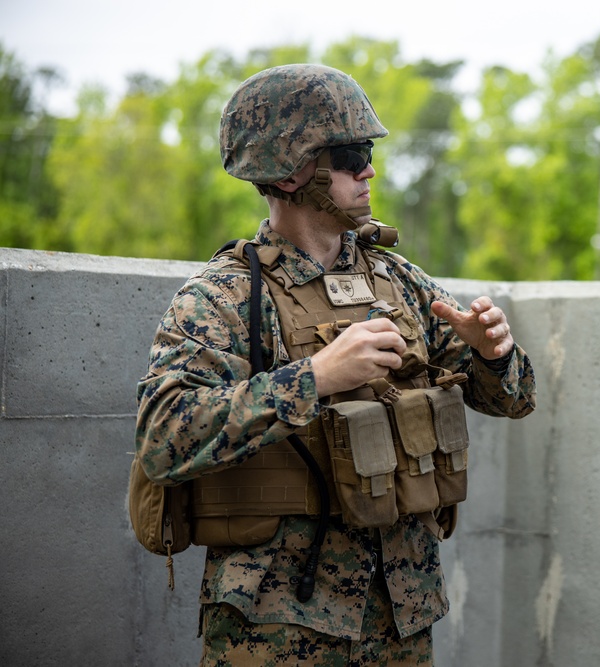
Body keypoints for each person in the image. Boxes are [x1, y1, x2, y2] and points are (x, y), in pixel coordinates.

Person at [135, 63, 536, 665]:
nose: (369, 169)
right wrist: (315, 378)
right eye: (351, 154)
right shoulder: (225, 296)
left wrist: (492, 353)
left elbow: (515, 399)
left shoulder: (397, 280)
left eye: (368, 151)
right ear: (293, 171)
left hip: (403, 615)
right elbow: (163, 437)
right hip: (277, 626)